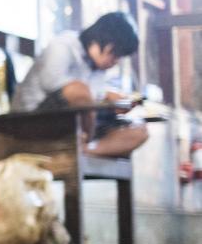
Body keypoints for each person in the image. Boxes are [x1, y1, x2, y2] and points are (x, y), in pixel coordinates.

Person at [12, 12, 148, 157]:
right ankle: (82, 145)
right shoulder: (63, 46)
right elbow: (54, 85)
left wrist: (113, 103)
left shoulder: (98, 69)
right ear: (103, 41)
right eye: (114, 54)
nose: (115, 62)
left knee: (139, 131)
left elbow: (94, 99)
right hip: (31, 121)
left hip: (74, 128)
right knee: (78, 91)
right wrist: (99, 99)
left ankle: (86, 149)